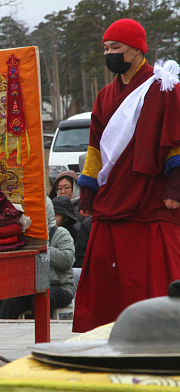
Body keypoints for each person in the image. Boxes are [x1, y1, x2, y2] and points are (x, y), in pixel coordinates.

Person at [73, 19, 180, 333]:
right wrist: (88, 191)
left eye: (116, 48)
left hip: (153, 198)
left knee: (151, 277)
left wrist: (176, 186)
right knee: (107, 277)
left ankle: (160, 336)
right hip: (111, 199)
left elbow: (176, 138)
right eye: (106, 48)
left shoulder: (164, 87)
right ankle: (103, 335)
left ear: (137, 49)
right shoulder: (105, 95)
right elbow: (95, 149)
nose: (110, 54)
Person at [0, 197, 75, 318]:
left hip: (59, 287)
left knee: (42, 297)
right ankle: (2, 332)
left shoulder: (61, 233)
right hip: (31, 287)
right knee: (11, 299)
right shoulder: (25, 235)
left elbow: (67, 260)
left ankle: (42, 335)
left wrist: (43, 248)